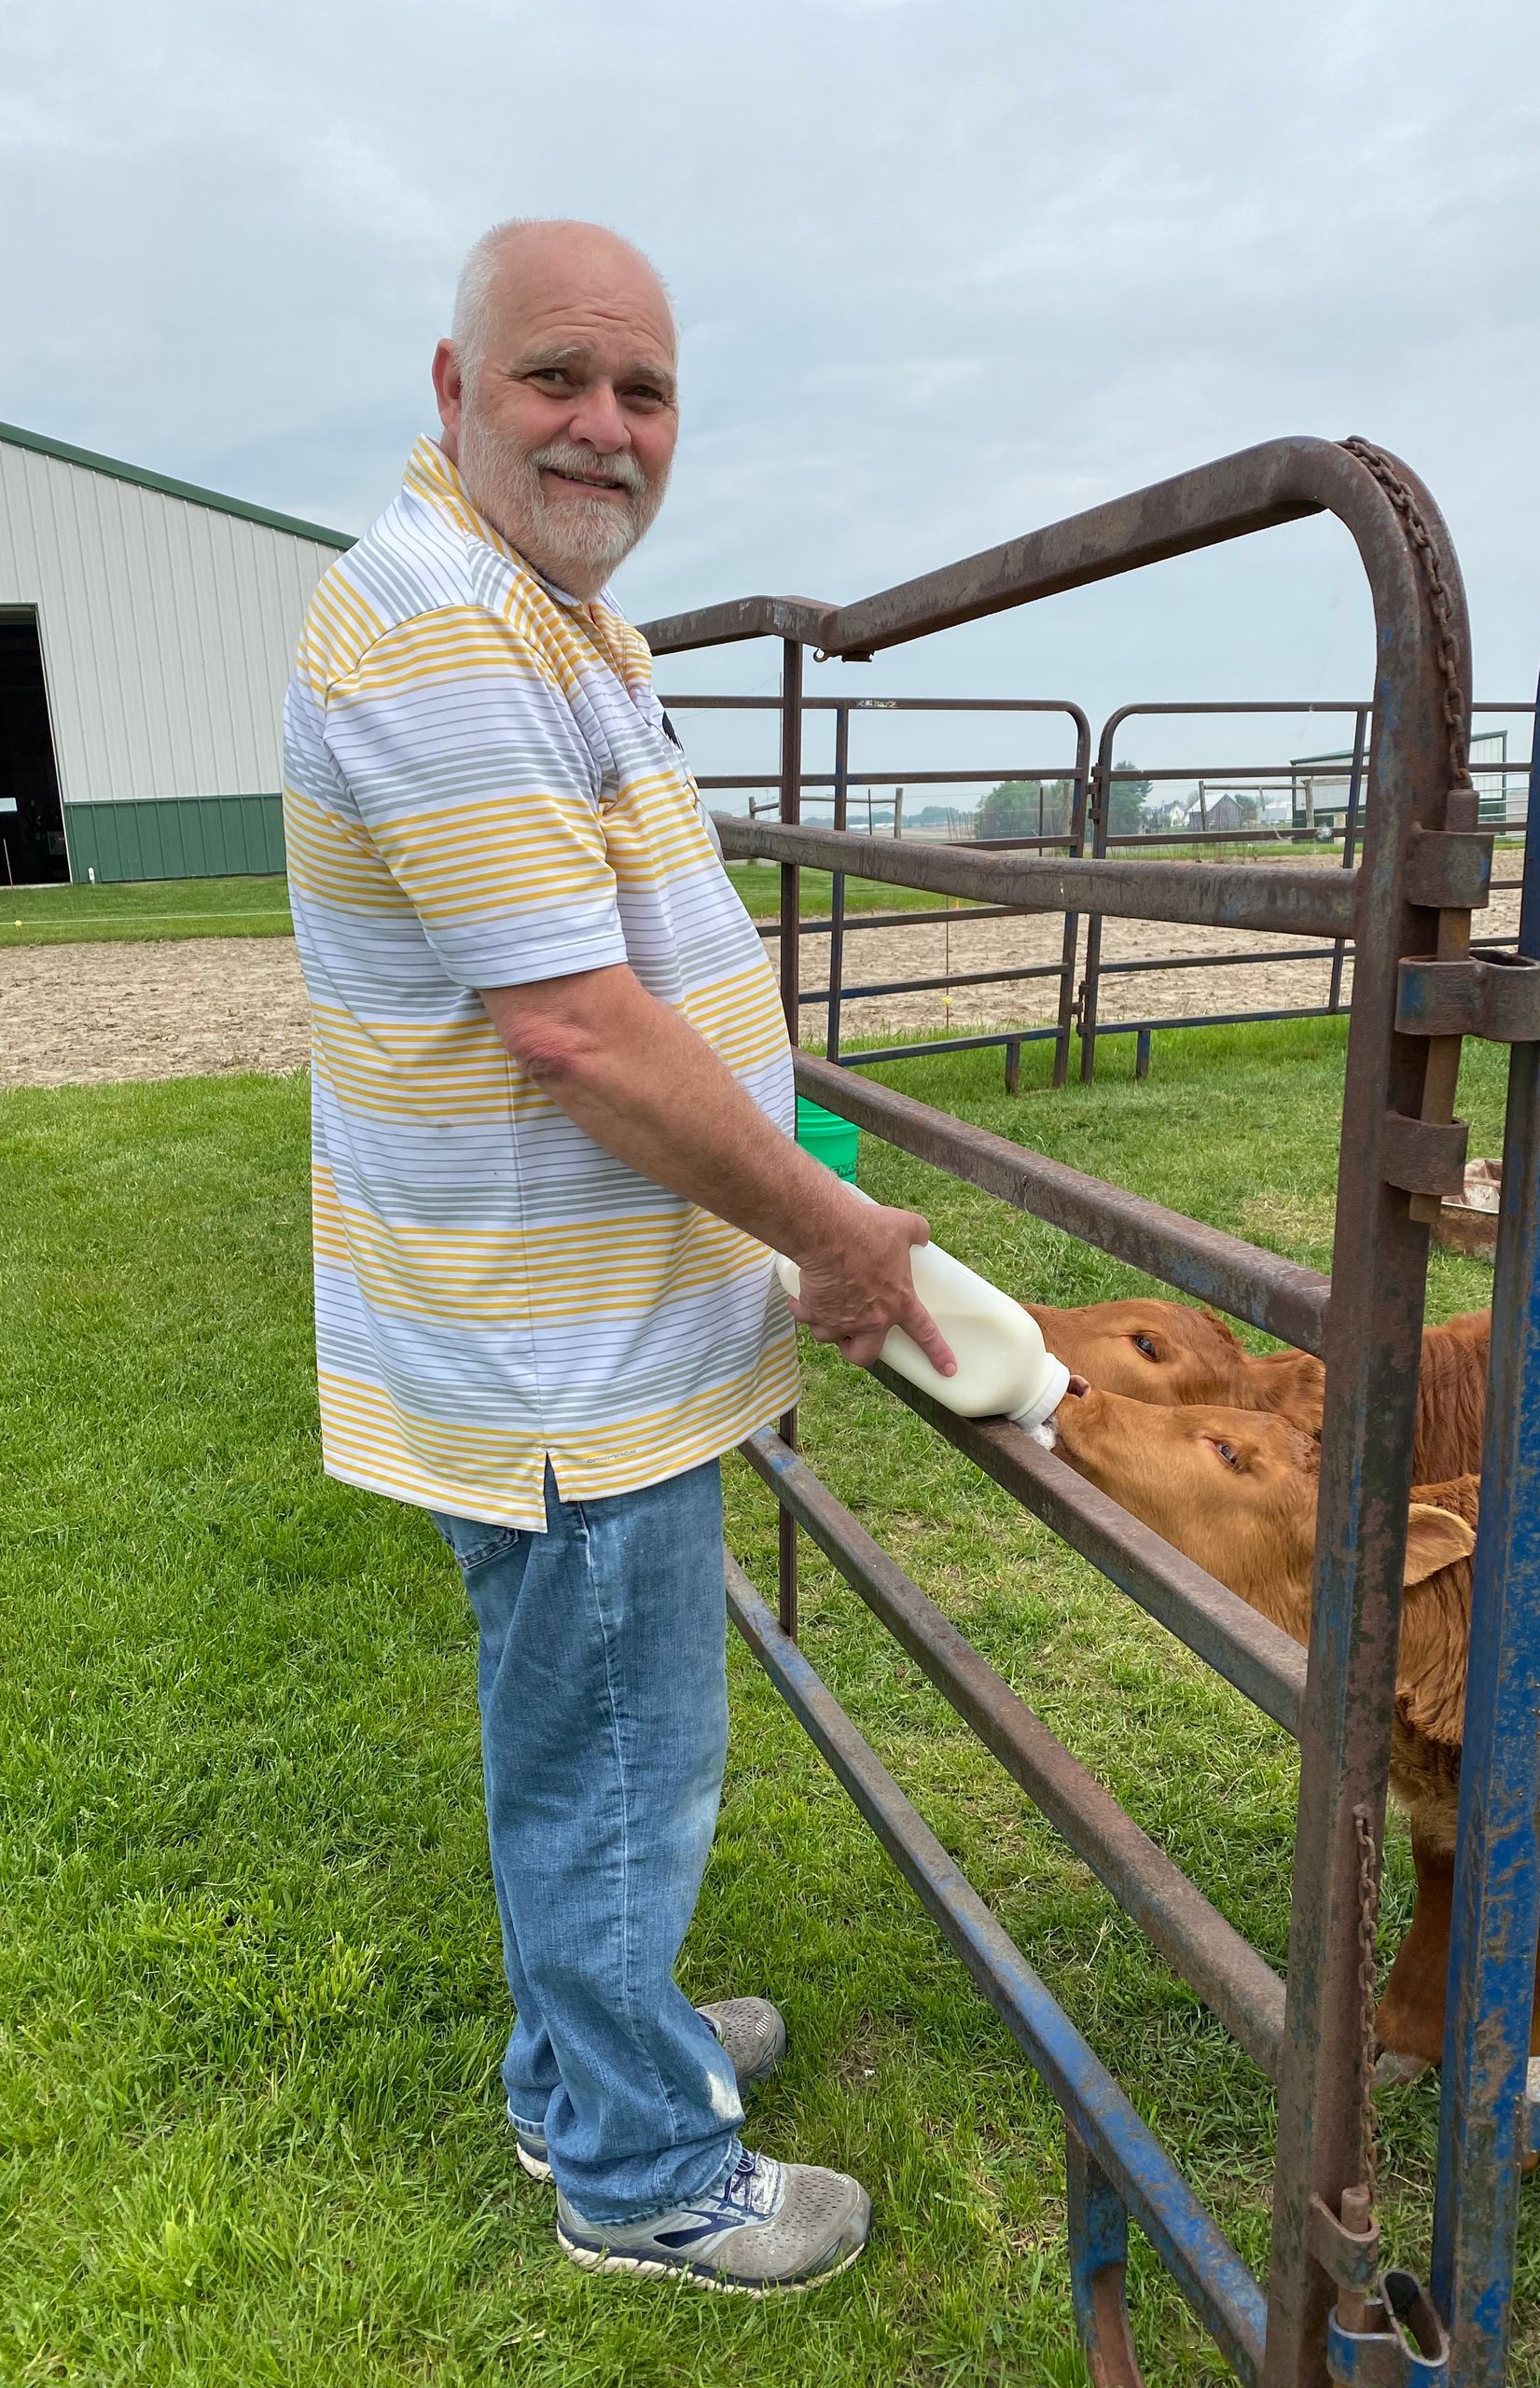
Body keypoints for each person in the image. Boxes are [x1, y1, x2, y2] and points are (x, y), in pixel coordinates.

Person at [281, 216, 953, 2295]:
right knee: (618, 1753)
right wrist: (832, 1233)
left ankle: (600, 2046)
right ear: (453, 387)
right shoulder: (434, 634)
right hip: (559, 1362)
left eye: (642, 390)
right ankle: (641, 2168)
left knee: (602, 1739)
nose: (604, 425)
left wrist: (777, 1138)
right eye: (558, 376)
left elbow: (643, 963)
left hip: (604, 1321)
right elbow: (572, 1027)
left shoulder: (550, 616)